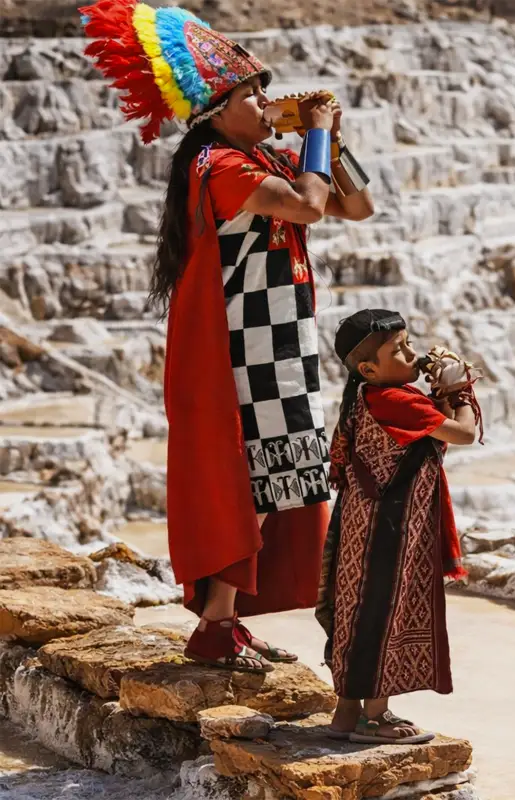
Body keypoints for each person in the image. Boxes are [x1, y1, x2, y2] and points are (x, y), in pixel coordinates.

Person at [80, 0, 376, 672]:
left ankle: (224, 622)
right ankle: (216, 625)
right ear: (218, 109)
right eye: (253, 93)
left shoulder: (264, 157)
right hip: (249, 348)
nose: (267, 102)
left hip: (282, 344)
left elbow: (356, 206)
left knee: (280, 479)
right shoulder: (222, 167)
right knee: (261, 481)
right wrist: (316, 143)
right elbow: (307, 206)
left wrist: (333, 140)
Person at [316, 309, 479, 743]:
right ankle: (376, 717)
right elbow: (463, 434)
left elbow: (429, 435)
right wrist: (460, 392)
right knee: (384, 609)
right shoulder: (397, 401)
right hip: (390, 528)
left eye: (408, 344)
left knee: (359, 608)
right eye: (399, 349)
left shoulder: (366, 396)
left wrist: (439, 393)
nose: (411, 354)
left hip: (362, 523)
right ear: (369, 368)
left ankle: (346, 716)